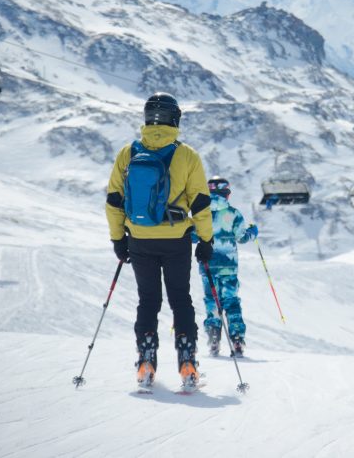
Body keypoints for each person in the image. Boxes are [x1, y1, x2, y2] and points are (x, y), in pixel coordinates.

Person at [104, 92, 214, 389]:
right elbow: (201, 203)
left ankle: (146, 362)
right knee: (181, 300)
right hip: (176, 239)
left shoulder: (128, 152)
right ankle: (188, 363)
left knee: (148, 301)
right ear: (175, 118)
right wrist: (206, 240)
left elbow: (114, 200)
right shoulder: (187, 155)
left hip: (139, 239)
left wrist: (118, 239)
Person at [192, 176, 258, 356]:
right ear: (227, 195)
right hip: (229, 265)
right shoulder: (233, 214)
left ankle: (214, 339)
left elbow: (192, 236)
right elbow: (242, 237)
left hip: (207, 266)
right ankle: (237, 339)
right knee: (231, 301)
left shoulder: (201, 213)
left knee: (212, 301)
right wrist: (253, 232)